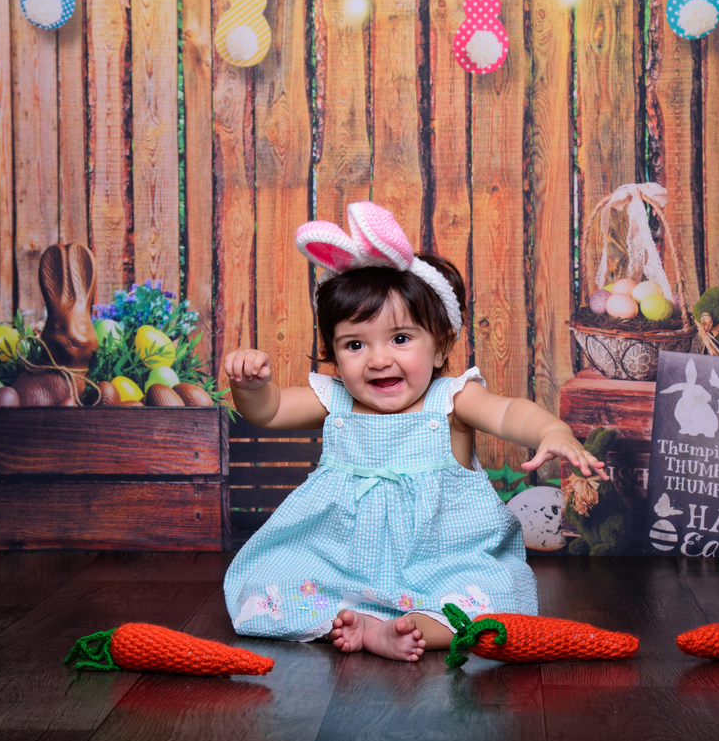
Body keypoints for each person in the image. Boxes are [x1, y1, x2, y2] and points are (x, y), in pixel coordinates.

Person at [223, 201, 607, 662]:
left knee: (495, 598)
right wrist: (250, 386)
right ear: (333, 352)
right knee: (269, 585)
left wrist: (552, 430)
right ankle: (345, 624)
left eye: (401, 338)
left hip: (441, 560)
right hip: (341, 558)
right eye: (355, 344)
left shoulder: (452, 401)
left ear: (442, 343)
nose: (379, 359)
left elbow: (509, 414)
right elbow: (269, 411)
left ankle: (415, 629)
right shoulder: (336, 399)